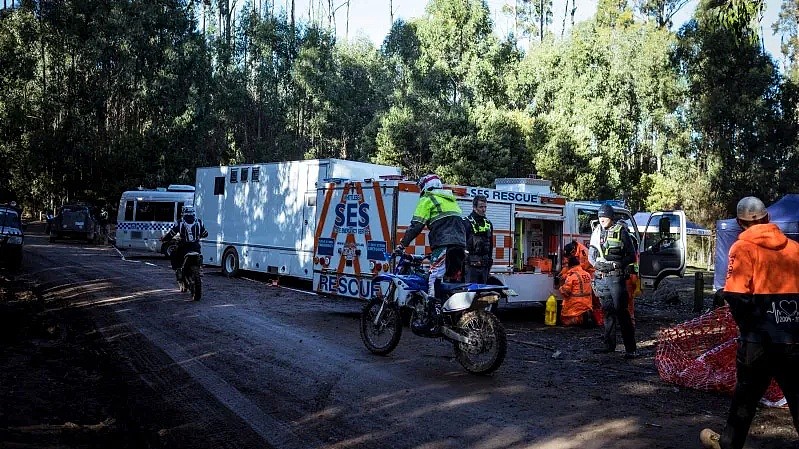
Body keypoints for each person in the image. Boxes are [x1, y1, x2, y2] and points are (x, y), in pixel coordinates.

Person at [700, 196, 799, 449]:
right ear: (768, 218)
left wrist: (749, 328)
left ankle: (729, 445)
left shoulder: (742, 249)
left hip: (759, 342)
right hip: (792, 339)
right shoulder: (795, 249)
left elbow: (735, 295)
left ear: (738, 222)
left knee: (745, 399)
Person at [395, 173, 466, 302]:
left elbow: (416, 227)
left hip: (443, 244)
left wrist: (402, 245)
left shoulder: (427, 199)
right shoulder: (450, 200)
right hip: (460, 245)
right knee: (449, 278)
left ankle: (434, 312)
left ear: (425, 186)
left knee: (434, 278)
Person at [588, 203, 637, 358]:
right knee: (608, 313)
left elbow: (631, 256)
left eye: (605, 216)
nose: (602, 218)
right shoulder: (596, 232)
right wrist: (596, 264)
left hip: (616, 277)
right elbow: (591, 255)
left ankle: (631, 349)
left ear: (611, 217)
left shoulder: (621, 231)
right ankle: (609, 346)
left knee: (622, 313)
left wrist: (618, 264)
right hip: (601, 277)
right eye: (600, 216)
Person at [161, 206, 208, 283]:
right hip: (195, 246)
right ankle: (199, 268)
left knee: (174, 254)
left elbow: (171, 234)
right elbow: (205, 234)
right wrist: (199, 235)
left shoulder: (179, 222)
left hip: (183, 246)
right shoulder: (199, 222)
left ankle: (178, 270)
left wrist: (164, 239)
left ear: (183, 213)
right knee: (199, 256)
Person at [464, 194, 493, 284]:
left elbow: (491, 244)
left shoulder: (488, 223)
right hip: (471, 266)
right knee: (471, 293)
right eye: (481, 207)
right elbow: (462, 244)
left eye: (485, 207)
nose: (483, 209)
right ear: (474, 207)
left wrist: (490, 260)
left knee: (484, 294)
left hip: (485, 265)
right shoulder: (466, 222)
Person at [559, 256, 594, 327]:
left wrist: (560, 286)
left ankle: (581, 319)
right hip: (587, 304)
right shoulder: (587, 274)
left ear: (570, 266)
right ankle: (586, 315)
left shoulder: (572, 276)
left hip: (575, 305)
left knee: (565, 320)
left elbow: (566, 291)